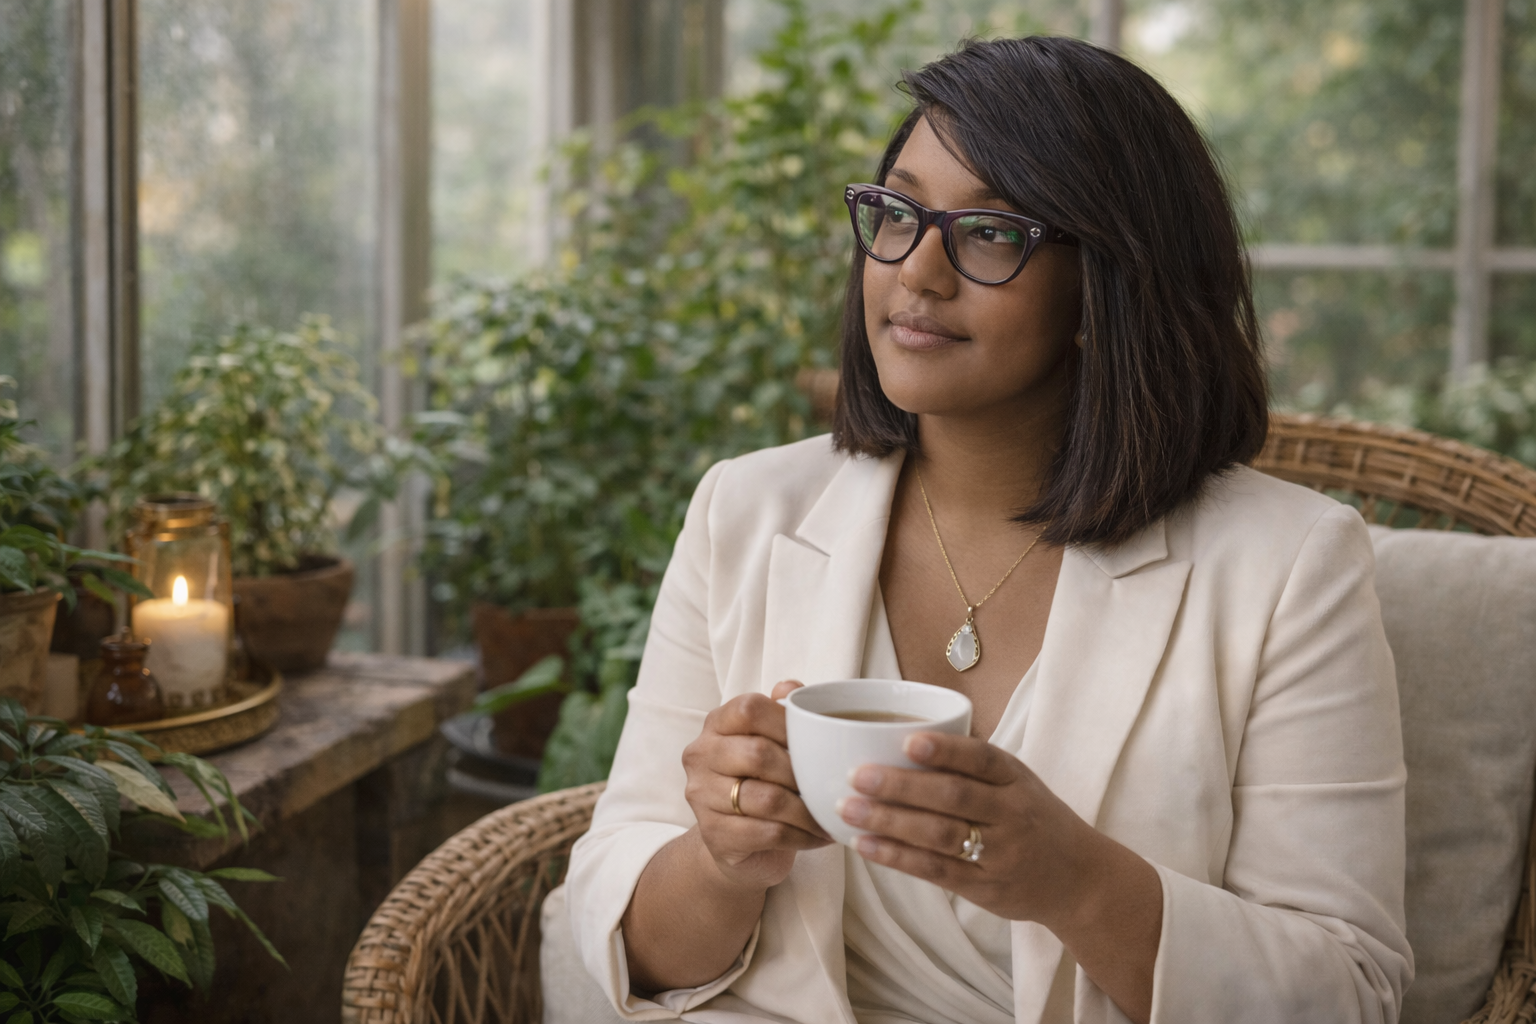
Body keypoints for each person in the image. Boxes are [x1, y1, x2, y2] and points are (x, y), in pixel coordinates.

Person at [564, 35, 1411, 1024]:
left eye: (991, 233)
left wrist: (1076, 882)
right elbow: (632, 948)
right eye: (895, 211)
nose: (916, 271)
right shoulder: (745, 510)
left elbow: (1350, 991)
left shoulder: (1289, 565)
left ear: (1106, 285)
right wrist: (722, 858)